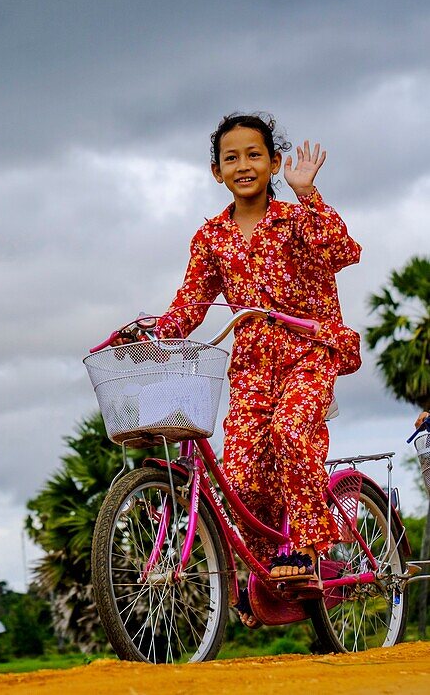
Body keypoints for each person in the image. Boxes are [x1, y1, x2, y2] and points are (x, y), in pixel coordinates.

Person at [156, 112, 361, 627]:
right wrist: (153, 334)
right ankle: (276, 571)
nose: (243, 165)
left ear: (273, 163)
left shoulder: (295, 219)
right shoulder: (211, 238)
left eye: (254, 155)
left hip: (309, 350)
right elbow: (190, 305)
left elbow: (342, 252)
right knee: (242, 473)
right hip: (251, 365)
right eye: (231, 158)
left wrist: (308, 193)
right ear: (216, 171)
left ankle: (311, 549)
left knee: (290, 431)